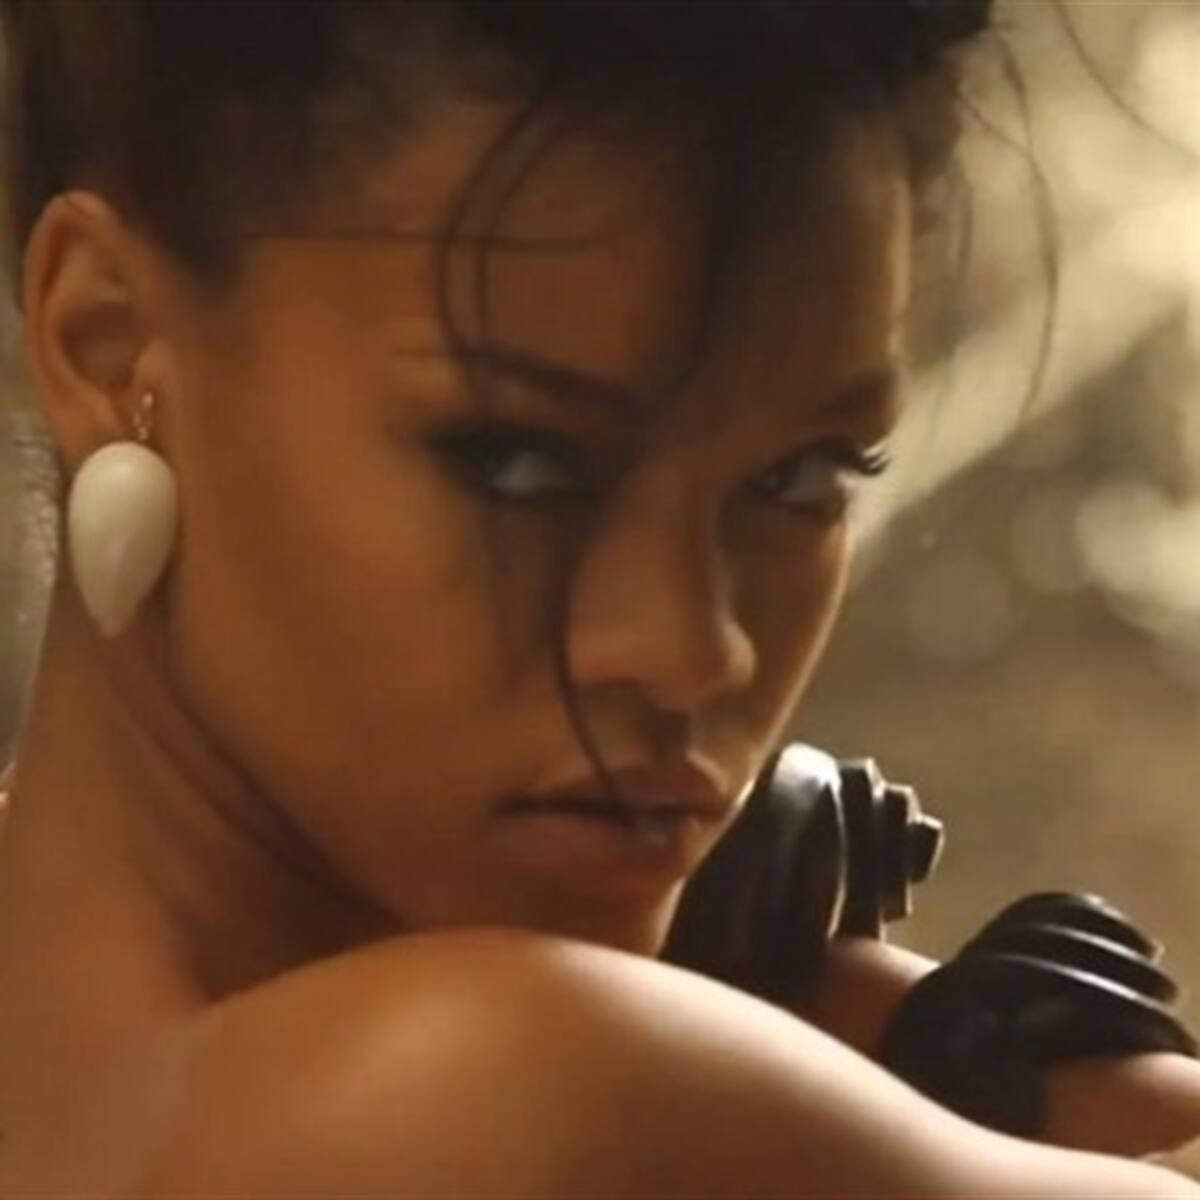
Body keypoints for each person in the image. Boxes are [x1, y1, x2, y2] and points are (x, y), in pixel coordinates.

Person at [2, 1, 1200, 1195]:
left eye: (802, 481)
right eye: (515, 465)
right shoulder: (497, 1094)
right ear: (109, 345)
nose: (692, 652)